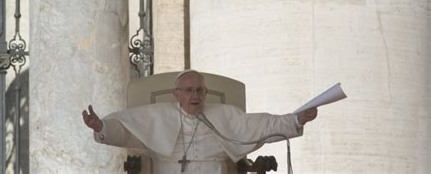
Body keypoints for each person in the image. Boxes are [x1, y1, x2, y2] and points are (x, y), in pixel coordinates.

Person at [82, 70, 318, 174]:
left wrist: (297, 119)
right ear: (176, 94)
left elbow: (262, 125)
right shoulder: (156, 115)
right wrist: (100, 127)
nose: (195, 96)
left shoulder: (224, 115)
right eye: (189, 90)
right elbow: (125, 129)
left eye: (200, 90)